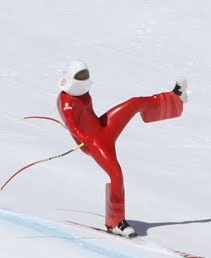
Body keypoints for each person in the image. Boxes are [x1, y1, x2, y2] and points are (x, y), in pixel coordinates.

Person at [57, 59, 188, 238]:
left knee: (134, 103)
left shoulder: (82, 92)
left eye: (85, 75)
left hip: (103, 127)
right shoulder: (65, 100)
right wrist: (84, 138)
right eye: (80, 76)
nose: (84, 79)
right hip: (94, 142)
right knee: (116, 174)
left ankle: (175, 99)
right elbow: (72, 125)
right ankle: (115, 221)